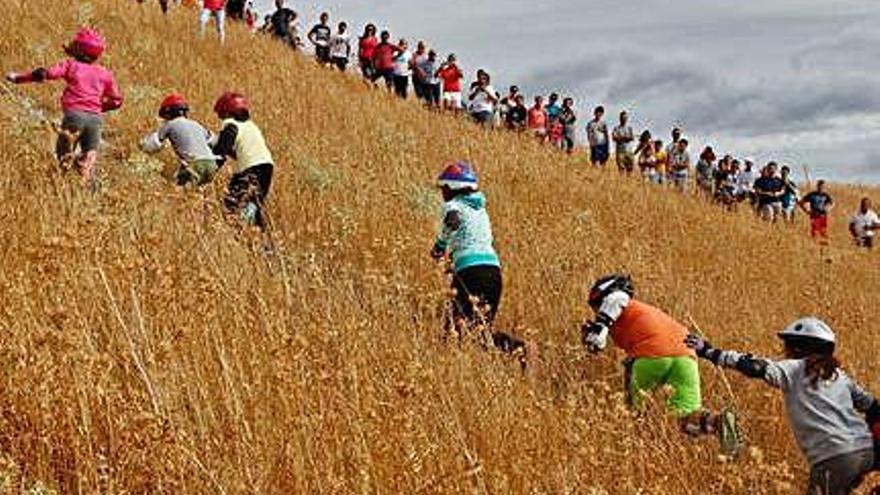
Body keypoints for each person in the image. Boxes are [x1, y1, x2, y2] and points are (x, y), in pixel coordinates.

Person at [687, 318, 879, 495]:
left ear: (797, 348)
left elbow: (755, 367)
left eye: (787, 345)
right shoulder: (840, 376)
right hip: (867, 452)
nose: (784, 350)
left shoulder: (794, 368)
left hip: (833, 460)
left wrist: (708, 351)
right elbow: (872, 406)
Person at [580, 274, 715, 436]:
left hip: (651, 354)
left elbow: (618, 298)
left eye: (596, 304)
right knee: (686, 417)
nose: (595, 310)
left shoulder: (621, 303)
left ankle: (635, 444)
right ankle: (718, 421)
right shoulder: (645, 312)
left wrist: (600, 326)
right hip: (686, 358)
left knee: (633, 412)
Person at [431, 161, 531, 360]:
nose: (442, 193)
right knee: (480, 331)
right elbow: (473, 238)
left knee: (452, 328)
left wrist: (440, 246)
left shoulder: (452, 204)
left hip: (470, 272)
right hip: (493, 272)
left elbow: (453, 221)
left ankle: (447, 365)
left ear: (452, 189)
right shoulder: (480, 210)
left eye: (444, 188)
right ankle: (518, 349)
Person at [6, 28, 123, 186]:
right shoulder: (105, 73)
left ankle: (61, 184)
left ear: (78, 49)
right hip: (96, 119)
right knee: (89, 155)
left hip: (74, 117)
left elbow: (45, 74)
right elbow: (117, 100)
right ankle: (84, 187)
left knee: (64, 154)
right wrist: (99, 107)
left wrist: (18, 78)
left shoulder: (70, 65)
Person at [212, 92, 275, 229]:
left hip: (250, 169)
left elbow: (220, 152)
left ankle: (236, 234)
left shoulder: (230, 125)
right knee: (255, 204)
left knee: (231, 205)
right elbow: (238, 151)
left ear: (226, 112)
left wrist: (210, 170)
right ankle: (263, 241)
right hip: (267, 168)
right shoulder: (251, 126)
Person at [139, 94, 217, 186]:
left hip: (195, 165)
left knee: (180, 192)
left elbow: (151, 145)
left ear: (169, 113)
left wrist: (140, 146)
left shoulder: (169, 125)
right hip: (212, 164)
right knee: (197, 191)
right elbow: (214, 141)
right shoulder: (196, 124)